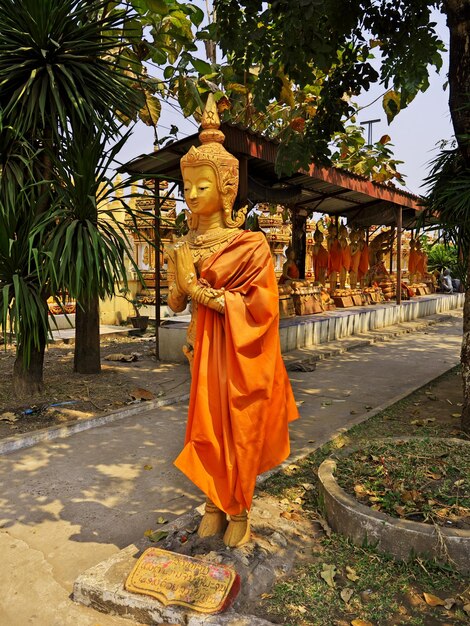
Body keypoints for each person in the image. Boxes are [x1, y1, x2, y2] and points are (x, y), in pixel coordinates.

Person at [167, 94, 299, 548]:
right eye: (186, 185)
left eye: (201, 186)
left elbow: (262, 308)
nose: (191, 194)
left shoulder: (251, 246)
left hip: (238, 354)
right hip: (198, 351)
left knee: (237, 425)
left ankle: (239, 506)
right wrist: (184, 284)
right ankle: (211, 501)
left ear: (225, 189)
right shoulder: (184, 245)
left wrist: (200, 288)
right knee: (206, 428)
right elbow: (174, 304)